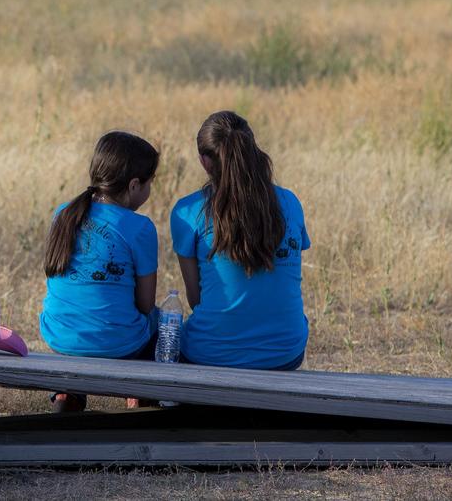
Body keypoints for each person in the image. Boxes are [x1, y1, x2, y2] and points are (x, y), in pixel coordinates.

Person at [170, 110, 310, 370]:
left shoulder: (187, 212)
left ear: (205, 162)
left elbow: (196, 298)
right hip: (284, 352)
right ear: (252, 150)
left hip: (210, 352)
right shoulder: (290, 202)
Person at [40, 130, 160, 411]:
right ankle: (141, 390)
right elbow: (145, 305)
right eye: (149, 183)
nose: (149, 190)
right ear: (133, 186)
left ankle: (68, 392)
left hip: (60, 336)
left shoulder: (63, 213)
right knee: (163, 324)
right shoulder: (140, 228)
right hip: (120, 345)